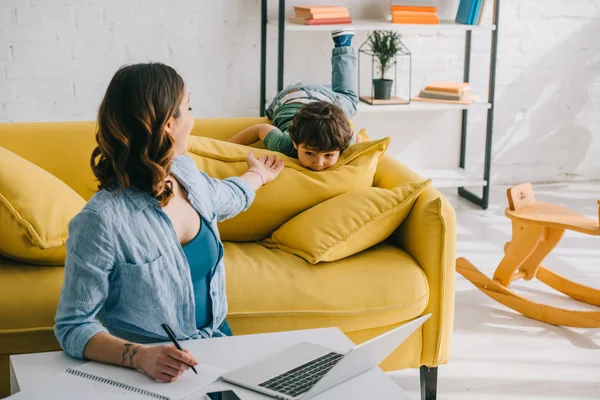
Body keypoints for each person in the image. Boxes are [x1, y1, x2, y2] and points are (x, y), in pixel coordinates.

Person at [54, 63, 284, 383]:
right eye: (188, 108)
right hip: (153, 371)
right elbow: (72, 326)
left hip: (219, 346)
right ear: (167, 126)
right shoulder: (100, 222)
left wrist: (258, 175)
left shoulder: (184, 173)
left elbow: (223, 196)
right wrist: (140, 357)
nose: (193, 118)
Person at [228, 29, 360, 172]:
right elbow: (260, 129)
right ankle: (343, 45)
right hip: (294, 95)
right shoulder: (285, 144)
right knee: (350, 100)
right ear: (295, 144)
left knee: (346, 99)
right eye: (310, 153)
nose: (318, 163)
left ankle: (343, 43)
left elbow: (353, 135)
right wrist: (225, 147)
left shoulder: (345, 142)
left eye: (329, 155)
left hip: (313, 97)